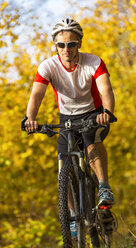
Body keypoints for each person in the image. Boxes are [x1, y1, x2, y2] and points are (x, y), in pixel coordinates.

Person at [24, 18, 115, 237]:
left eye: (71, 44)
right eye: (61, 45)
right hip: (67, 118)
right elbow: (36, 94)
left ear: (79, 44)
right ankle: (73, 216)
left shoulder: (93, 62)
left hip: (94, 114)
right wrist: (30, 118)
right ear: (55, 46)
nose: (66, 49)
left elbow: (106, 89)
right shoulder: (48, 66)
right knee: (63, 165)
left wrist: (107, 113)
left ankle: (103, 186)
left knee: (93, 143)